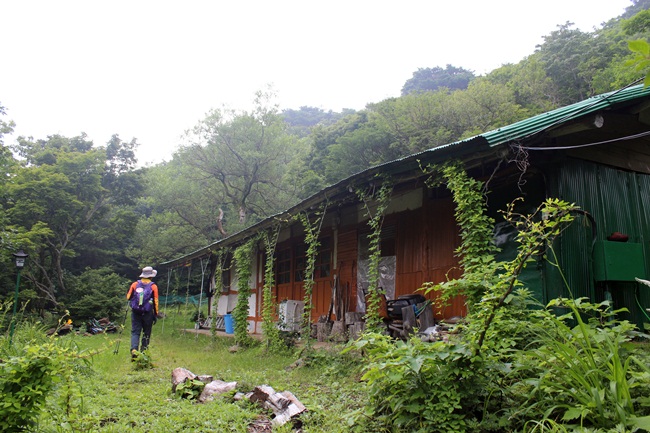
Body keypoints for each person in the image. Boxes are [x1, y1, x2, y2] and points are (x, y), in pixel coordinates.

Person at [126, 266, 160, 358]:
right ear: (151, 276)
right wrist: (156, 314)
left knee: (135, 332)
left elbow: (128, 297)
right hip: (147, 313)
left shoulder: (134, 284)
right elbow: (156, 301)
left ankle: (134, 350)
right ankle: (143, 353)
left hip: (135, 312)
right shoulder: (153, 286)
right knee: (146, 332)